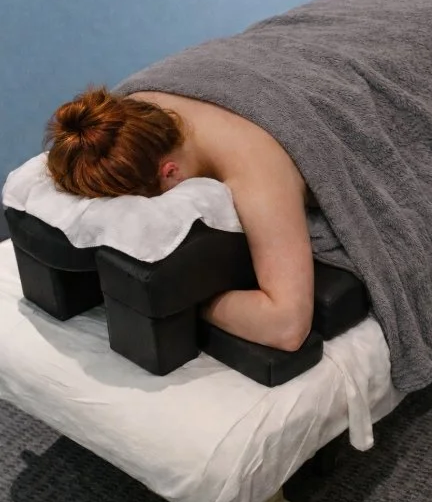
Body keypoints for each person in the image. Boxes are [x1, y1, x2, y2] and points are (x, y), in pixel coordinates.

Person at [43, 85, 315, 353]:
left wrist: (175, 299)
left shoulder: (257, 171)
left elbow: (286, 326)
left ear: (170, 173)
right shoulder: (128, 111)